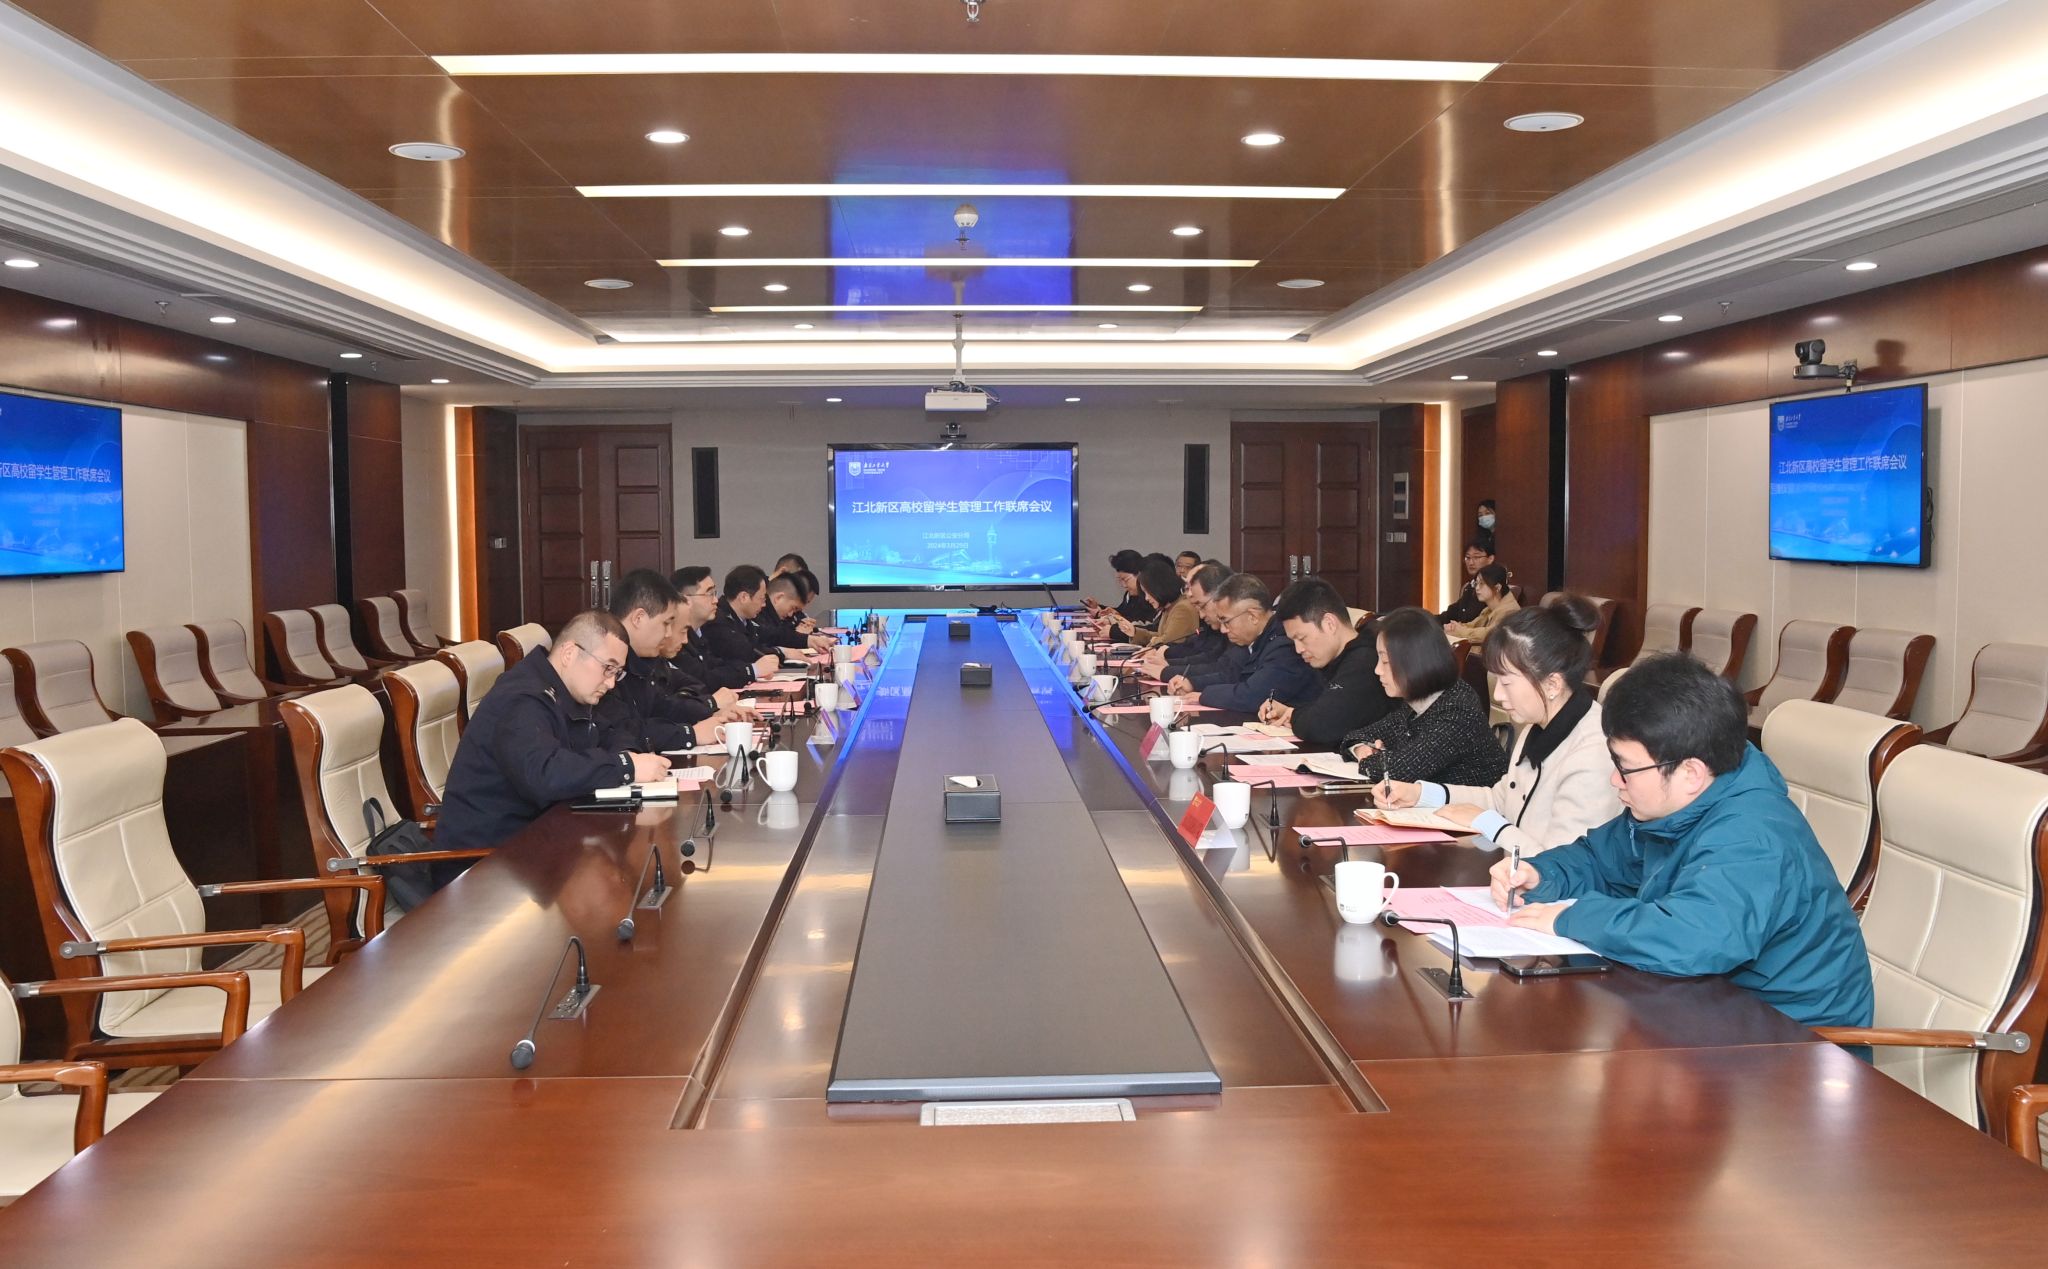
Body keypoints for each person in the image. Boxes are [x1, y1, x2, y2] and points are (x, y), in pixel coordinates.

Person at [1489, 653, 1873, 1030]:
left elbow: (1696, 938)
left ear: (1690, 773)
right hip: (1710, 1011)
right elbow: (1600, 859)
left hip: (1795, 1042)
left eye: (1625, 768)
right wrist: (1541, 874)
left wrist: (1571, 919)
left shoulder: (1754, 836)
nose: (1615, 781)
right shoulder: (1679, 805)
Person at [433, 610, 669, 888]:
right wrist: (626, 767)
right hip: (483, 868)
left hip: (533, 847)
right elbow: (545, 775)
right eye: (608, 668)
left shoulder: (568, 688)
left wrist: (628, 757)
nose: (611, 682)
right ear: (569, 653)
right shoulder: (521, 699)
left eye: (617, 672)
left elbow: (613, 731)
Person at [1375, 599, 1619, 855]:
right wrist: (1420, 794)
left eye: (1507, 682)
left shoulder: (1592, 751)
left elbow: (1562, 864)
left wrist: (1487, 824)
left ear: (1552, 684)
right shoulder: (1537, 726)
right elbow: (1500, 800)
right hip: (1511, 875)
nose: (1498, 695)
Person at [1339, 607, 1507, 786]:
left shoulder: (1458, 710)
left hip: (1473, 803)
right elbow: (1356, 735)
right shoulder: (1417, 700)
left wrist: (1375, 758)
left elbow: (1398, 771)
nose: (1377, 670)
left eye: (1386, 661)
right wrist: (1361, 748)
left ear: (1414, 661)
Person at [594, 569, 732, 753]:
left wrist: (710, 713)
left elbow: (662, 707)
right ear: (638, 618)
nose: (668, 634)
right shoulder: (601, 662)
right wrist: (690, 734)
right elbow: (623, 729)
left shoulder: (641, 660)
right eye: (666, 624)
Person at [1261, 579, 1394, 749]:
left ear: (1329, 624)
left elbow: (1321, 726)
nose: (1298, 649)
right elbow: (1321, 708)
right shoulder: (1330, 660)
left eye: (1302, 638)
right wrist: (1289, 711)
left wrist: (1293, 715)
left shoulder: (1365, 662)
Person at [1165, 573, 1320, 712]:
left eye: (1226, 621)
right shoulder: (1254, 640)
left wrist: (1203, 696)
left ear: (1253, 616)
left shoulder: (1285, 644)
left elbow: (1253, 695)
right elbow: (1231, 675)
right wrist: (1193, 683)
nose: (1223, 630)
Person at [667, 565, 765, 691]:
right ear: (686, 599)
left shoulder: (700, 632)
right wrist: (751, 670)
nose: (715, 600)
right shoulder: (674, 639)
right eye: (709, 594)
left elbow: (717, 665)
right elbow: (702, 680)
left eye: (715, 594)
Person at [701, 564, 787, 679]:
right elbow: (745, 652)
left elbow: (765, 638)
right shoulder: (717, 621)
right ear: (744, 597)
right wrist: (756, 669)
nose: (764, 605)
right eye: (762, 599)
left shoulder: (746, 619)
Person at [1108, 556, 1198, 647]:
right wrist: (1134, 632)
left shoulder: (1182, 608)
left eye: (1148, 592)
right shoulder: (1170, 606)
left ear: (1158, 588)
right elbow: (1160, 636)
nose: (1146, 598)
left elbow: (1165, 641)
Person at [1445, 562, 1520, 641]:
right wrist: (1454, 627)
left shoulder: (1509, 611)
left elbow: (1490, 634)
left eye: (1482, 584)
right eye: (1476, 583)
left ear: (1497, 587)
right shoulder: (1489, 609)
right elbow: (1473, 625)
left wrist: (1461, 631)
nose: (1477, 588)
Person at [1087, 549, 1155, 625]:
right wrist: (1099, 608)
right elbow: (1122, 612)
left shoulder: (1151, 597)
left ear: (1139, 574)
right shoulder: (1129, 594)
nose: (1123, 585)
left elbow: (1144, 624)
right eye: (1120, 580)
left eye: (1126, 580)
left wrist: (1117, 618)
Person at [1437, 539, 1496, 626]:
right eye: (1468, 558)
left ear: (1490, 559)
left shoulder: (1494, 588)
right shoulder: (1469, 587)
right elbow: (1452, 613)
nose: (1471, 562)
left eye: (1476, 557)